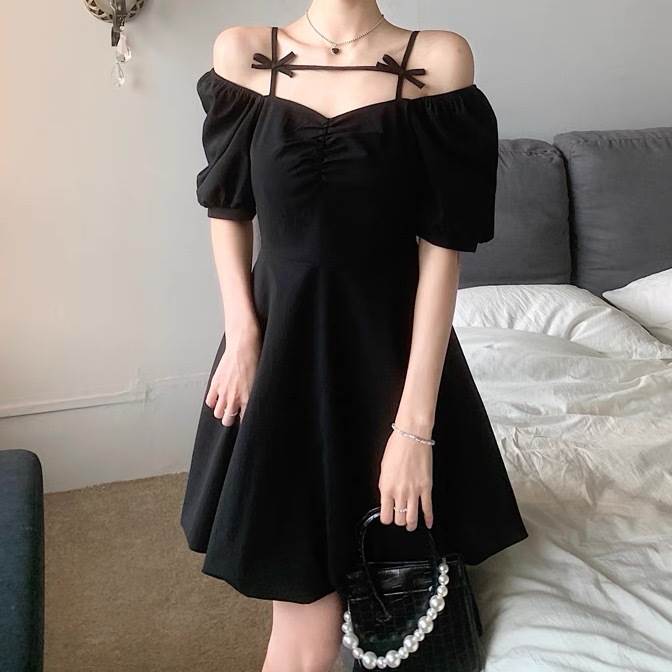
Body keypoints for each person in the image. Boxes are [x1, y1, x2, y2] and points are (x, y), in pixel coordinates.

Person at [181, 3, 528, 671]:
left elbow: (442, 252)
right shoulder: (243, 53)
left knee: (391, 587)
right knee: (304, 615)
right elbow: (228, 208)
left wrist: (415, 431)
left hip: (387, 361)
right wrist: (243, 335)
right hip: (280, 355)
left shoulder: (439, 59)